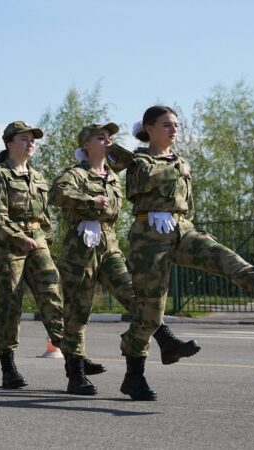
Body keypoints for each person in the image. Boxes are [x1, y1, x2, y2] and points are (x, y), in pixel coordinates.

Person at [120, 105, 254, 401]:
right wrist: (171, 167)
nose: (174, 129)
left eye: (176, 125)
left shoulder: (180, 161)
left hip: (181, 229)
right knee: (150, 311)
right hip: (149, 237)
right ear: (149, 128)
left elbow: (188, 201)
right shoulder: (138, 160)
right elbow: (143, 182)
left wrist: (186, 223)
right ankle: (134, 376)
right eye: (167, 125)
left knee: (223, 256)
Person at [49, 123, 199, 396]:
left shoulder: (113, 176)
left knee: (135, 296)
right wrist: (90, 200)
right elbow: (56, 193)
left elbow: (136, 165)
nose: (107, 141)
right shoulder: (75, 174)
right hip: (79, 248)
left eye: (110, 138)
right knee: (77, 312)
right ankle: (75, 375)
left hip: (109, 244)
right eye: (100, 138)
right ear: (86, 145)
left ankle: (166, 341)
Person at [0, 120, 65, 389]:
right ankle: (8, 366)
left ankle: (74, 356)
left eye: (33, 139)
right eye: (24, 139)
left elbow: (45, 217)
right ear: (9, 143)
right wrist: (18, 237)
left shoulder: (37, 176)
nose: (30, 143)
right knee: (10, 305)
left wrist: (45, 239)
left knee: (52, 294)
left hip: (37, 242)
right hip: (8, 247)